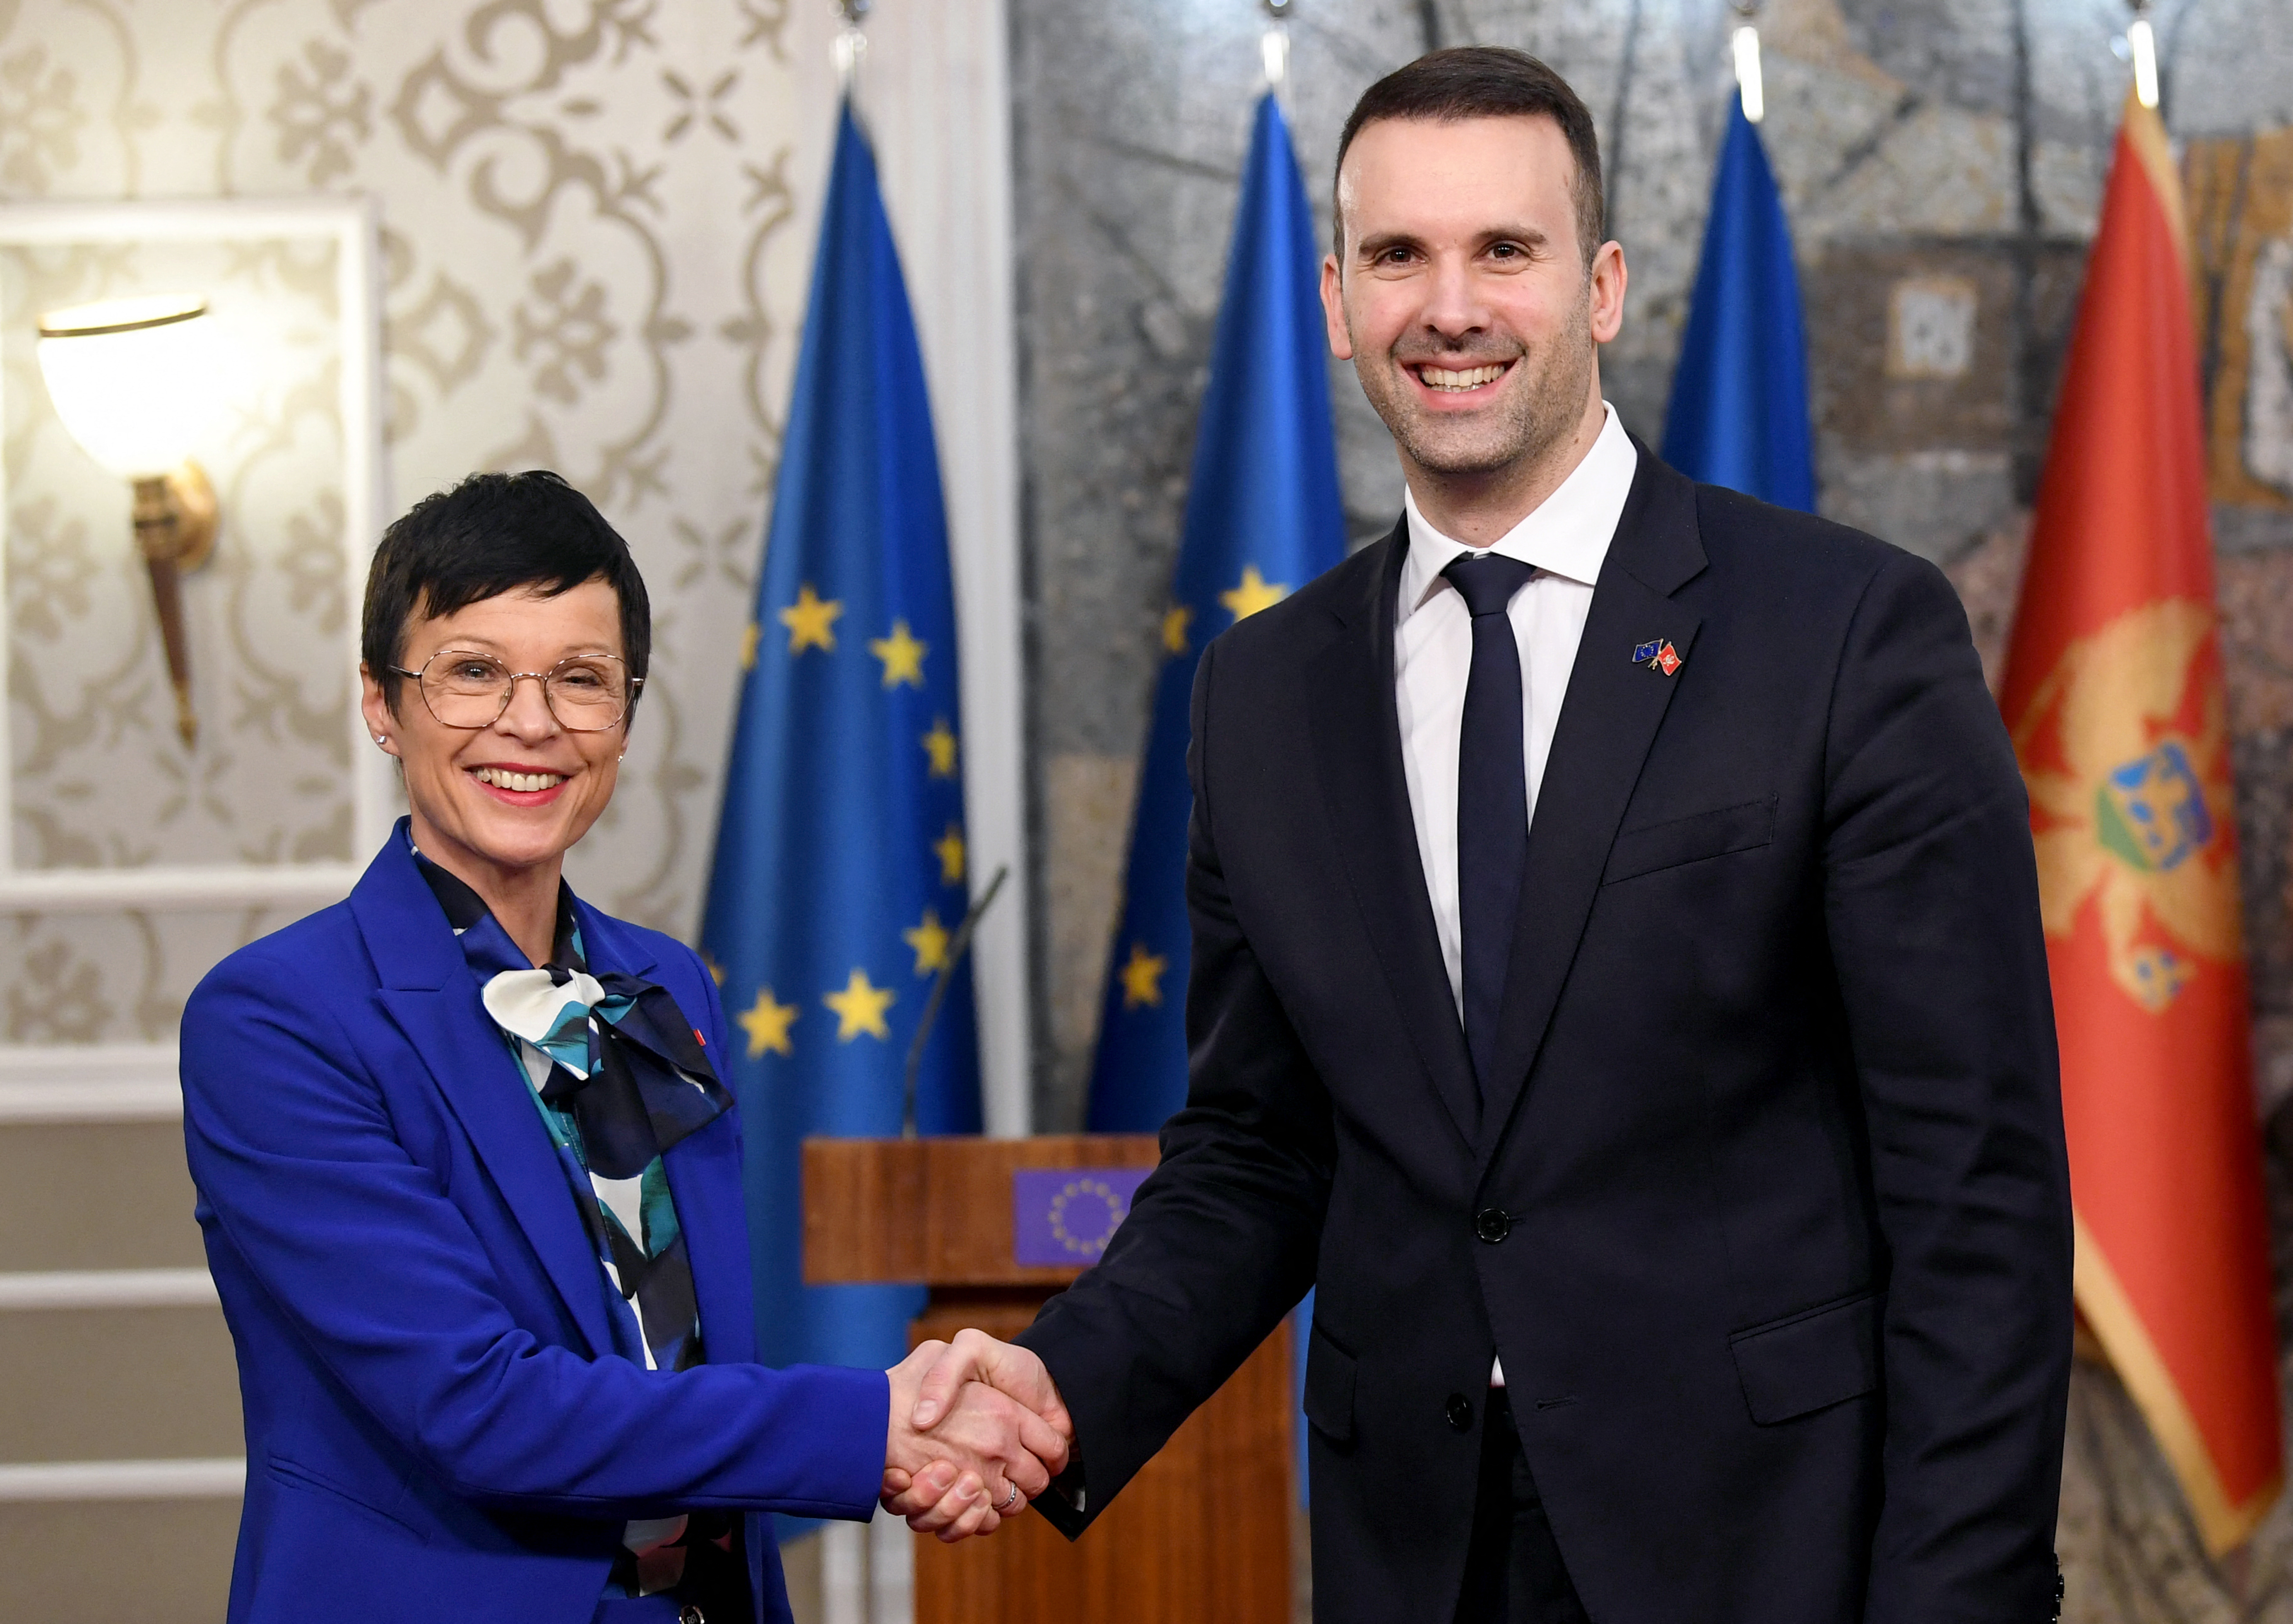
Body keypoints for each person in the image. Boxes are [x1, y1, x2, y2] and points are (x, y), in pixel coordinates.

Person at [886, 46, 2072, 1624]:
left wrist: (1961, 1597)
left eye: (1503, 251)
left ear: (1601, 287)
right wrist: (1057, 1383)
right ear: (1334, 299)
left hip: (1774, 1548)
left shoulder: (1848, 634)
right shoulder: (1262, 692)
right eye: (1399, 256)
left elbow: (1974, 1185)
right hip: (1416, 1555)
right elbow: (1261, 1151)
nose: (1450, 307)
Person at [179, 470, 1063, 1624]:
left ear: (627, 714)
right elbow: (473, 1404)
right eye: (474, 672)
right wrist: (874, 1428)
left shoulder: (666, 983)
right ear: (381, 703)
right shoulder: (279, 1017)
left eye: (581, 680)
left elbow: (689, 1356)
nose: (531, 723)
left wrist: (891, 1442)